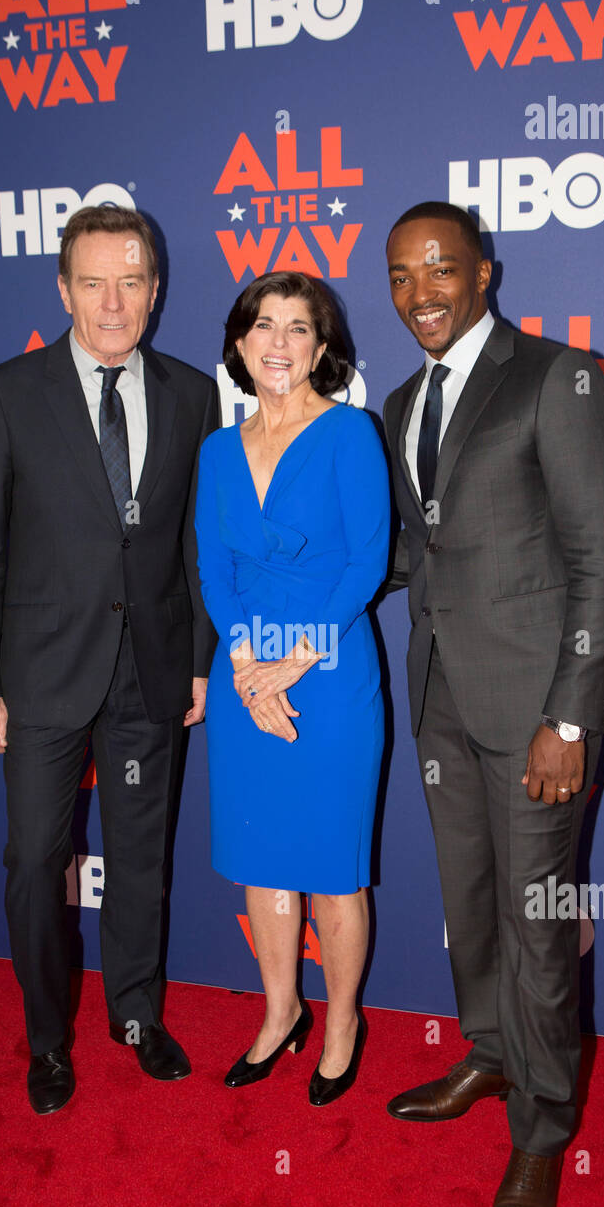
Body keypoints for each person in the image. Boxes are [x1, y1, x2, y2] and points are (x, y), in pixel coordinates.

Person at [382, 202, 604, 1207]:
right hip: (441, 697)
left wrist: (568, 724)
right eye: (399, 275)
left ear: (484, 273)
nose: (419, 292)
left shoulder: (558, 378)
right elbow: (416, 555)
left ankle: (540, 1128)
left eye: (439, 268)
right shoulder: (401, 399)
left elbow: (603, 559)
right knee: (471, 901)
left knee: (537, 925)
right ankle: (488, 1051)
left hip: (536, 712)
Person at [0, 204, 218, 1114]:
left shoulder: (193, 393)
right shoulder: (7, 392)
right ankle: (47, 1040)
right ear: (63, 289)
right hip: (38, 674)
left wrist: (196, 660)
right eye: (94, 282)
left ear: (155, 289)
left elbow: (190, 542)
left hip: (150, 669)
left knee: (142, 859)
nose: (114, 302)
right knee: (36, 861)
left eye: (132, 281)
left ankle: (136, 1017)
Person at [194, 271, 390, 1105]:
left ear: (322, 346)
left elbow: (366, 565)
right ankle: (280, 1014)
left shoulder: (350, 433)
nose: (279, 342)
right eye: (263, 326)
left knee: (333, 873)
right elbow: (215, 568)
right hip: (245, 678)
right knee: (263, 862)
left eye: (298, 328)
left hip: (333, 672)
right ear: (239, 345)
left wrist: (293, 659)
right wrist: (245, 664)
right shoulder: (215, 449)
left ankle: (341, 1022)